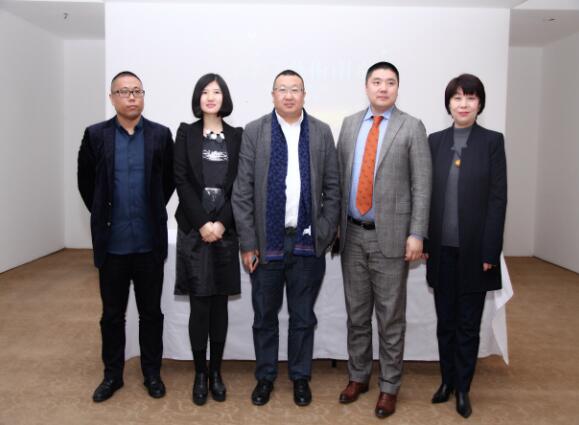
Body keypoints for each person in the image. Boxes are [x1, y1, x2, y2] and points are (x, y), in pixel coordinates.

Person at [232, 69, 340, 407]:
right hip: (266, 243)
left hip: (307, 243)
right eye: (282, 89)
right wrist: (248, 243)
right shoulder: (255, 131)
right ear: (273, 95)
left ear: (304, 95)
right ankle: (265, 377)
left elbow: (333, 189)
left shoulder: (321, 132)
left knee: (303, 317)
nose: (289, 95)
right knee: (264, 316)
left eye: (295, 89)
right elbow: (242, 192)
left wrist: (323, 233)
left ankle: (300, 377)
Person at [336, 61, 432, 419]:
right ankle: (358, 376)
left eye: (390, 82)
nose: (383, 88)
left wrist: (416, 233)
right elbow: (338, 179)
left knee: (390, 318)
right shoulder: (349, 125)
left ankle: (389, 386)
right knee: (357, 315)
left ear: (397, 88)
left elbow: (422, 186)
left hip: (391, 239)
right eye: (376, 82)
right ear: (366, 87)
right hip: (352, 236)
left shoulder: (411, 126)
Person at [77, 70, 175, 402]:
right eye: (123, 91)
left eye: (136, 91)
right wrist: (104, 212)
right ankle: (112, 375)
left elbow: (168, 182)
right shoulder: (95, 135)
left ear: (143, 96)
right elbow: (86, 183)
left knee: (151, 314)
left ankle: (152, 374)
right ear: (112, 98)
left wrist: (151, 208)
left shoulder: (160, 135)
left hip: (149, 244)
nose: (131, 97)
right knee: (111, 316)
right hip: (113, 245)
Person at [424, 74, 507, 419]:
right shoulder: (434, 141)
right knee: (446, 321)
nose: (463, 104)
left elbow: (498, 199)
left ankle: (463, 387)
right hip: (441, 250)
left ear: (479, 104)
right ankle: (446, 381)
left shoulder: (492, 141)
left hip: (475, 253)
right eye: (457, 98)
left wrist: (490, 251)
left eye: (470, 98)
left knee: (468, 325)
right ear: (448, 103)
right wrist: (424, 240)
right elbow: (425, 195)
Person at [173, 73, 242, 405]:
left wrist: (221, 223)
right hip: (194, 231)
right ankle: (200, 373)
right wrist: (203, 223)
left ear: (224, 97)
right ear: (197, 98)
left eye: (216, 91)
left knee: (220, 307)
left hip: (225, 232)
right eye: (204, 91)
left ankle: (216, 372)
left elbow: (240, 184)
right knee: (199, 306)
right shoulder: (185, 133)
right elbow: (181, 180)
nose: (210, 97)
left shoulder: (237, 136)